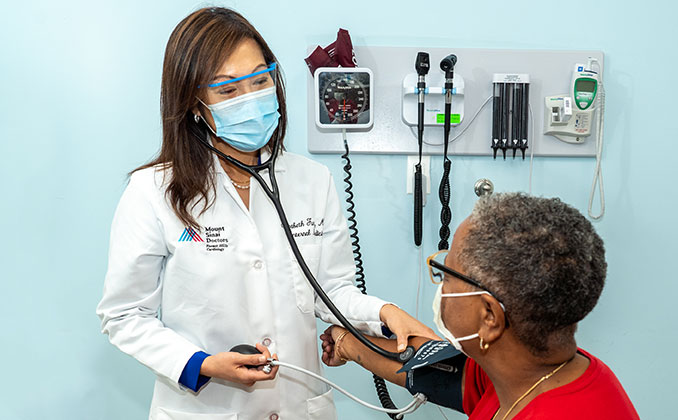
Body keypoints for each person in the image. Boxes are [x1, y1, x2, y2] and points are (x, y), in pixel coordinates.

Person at [96, 7, 435, 420]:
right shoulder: (153, 191)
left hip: (298, 406)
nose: (251, 99)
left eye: (260, 80)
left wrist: (384, 313)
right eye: (228, 90)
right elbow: (125, 316)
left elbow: (331, 291)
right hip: (207, 407)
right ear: (194, 104)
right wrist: (200, 364)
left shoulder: (313, 180)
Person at [321, 193, 640, 420]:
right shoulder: (533, 368)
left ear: (489, 316)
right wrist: (347, 344)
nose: (440, 285)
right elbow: (437, 373)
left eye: (447, 274)